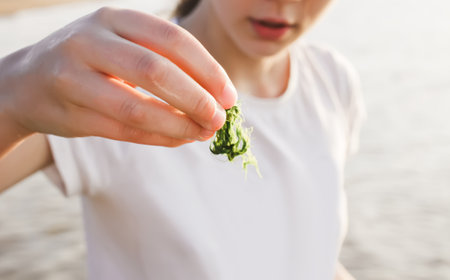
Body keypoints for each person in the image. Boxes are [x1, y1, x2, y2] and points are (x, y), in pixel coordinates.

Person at [0, 0, 365, 279]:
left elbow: (304, 254)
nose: (285, 2)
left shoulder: (332, 81)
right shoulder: (111, 84)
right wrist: (15, 93)